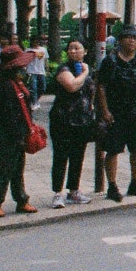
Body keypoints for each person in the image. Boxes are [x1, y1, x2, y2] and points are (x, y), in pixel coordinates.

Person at [93, 24, 136, 202]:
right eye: (129, 37)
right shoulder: (110, 61)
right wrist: (105, 110)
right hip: (117, 113)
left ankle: (135, 183)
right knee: (113, 150)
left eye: (135, 38)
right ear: (120, 40)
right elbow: (101, 87)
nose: (132, 41)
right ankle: (112, 186)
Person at [0, 45, 37, 217]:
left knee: (18, 168)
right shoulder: (4, 85)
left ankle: (21, 199)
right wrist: (17, 133)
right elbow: (7, 113)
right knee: (4, 168)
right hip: (9, 133)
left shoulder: (18, 82)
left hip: (20, 131)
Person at [47, 40, 95, 205]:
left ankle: (74, 190)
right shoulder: (64, 69)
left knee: (78, 156)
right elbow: (72, 86)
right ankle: (57, 193)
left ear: (85, 51)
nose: (73, 51)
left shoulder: (87, 69)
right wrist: (85, 72)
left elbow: (91, 92)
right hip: (62, 119)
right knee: (61, 156)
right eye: (70, 48)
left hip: (82, 120)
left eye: (77, 48)